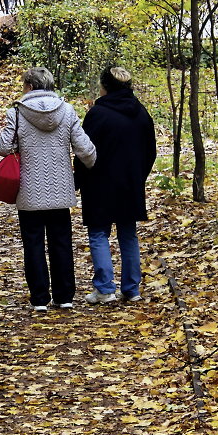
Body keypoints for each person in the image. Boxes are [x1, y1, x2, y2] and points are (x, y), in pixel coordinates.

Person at [0, 67, 97, 313]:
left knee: (33, 245)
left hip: (29, 191)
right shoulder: (67, 110)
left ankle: (40, 298)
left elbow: (3, 147)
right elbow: (85, 149)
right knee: (61, 242)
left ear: (29, 86)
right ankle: (64, 296)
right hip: (61, 191)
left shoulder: (17, 113)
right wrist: (91, 165)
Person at [75, 66, 156, 304]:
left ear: (105, 87)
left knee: (99, 233)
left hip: (99, 183)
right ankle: (131, 289)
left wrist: (78, 180)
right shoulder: (141, 113)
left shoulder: (98, 114)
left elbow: (84, 151)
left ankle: (105, 289)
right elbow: (150, 152)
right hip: (130, 183)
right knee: (128, 234)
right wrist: (138, 177)